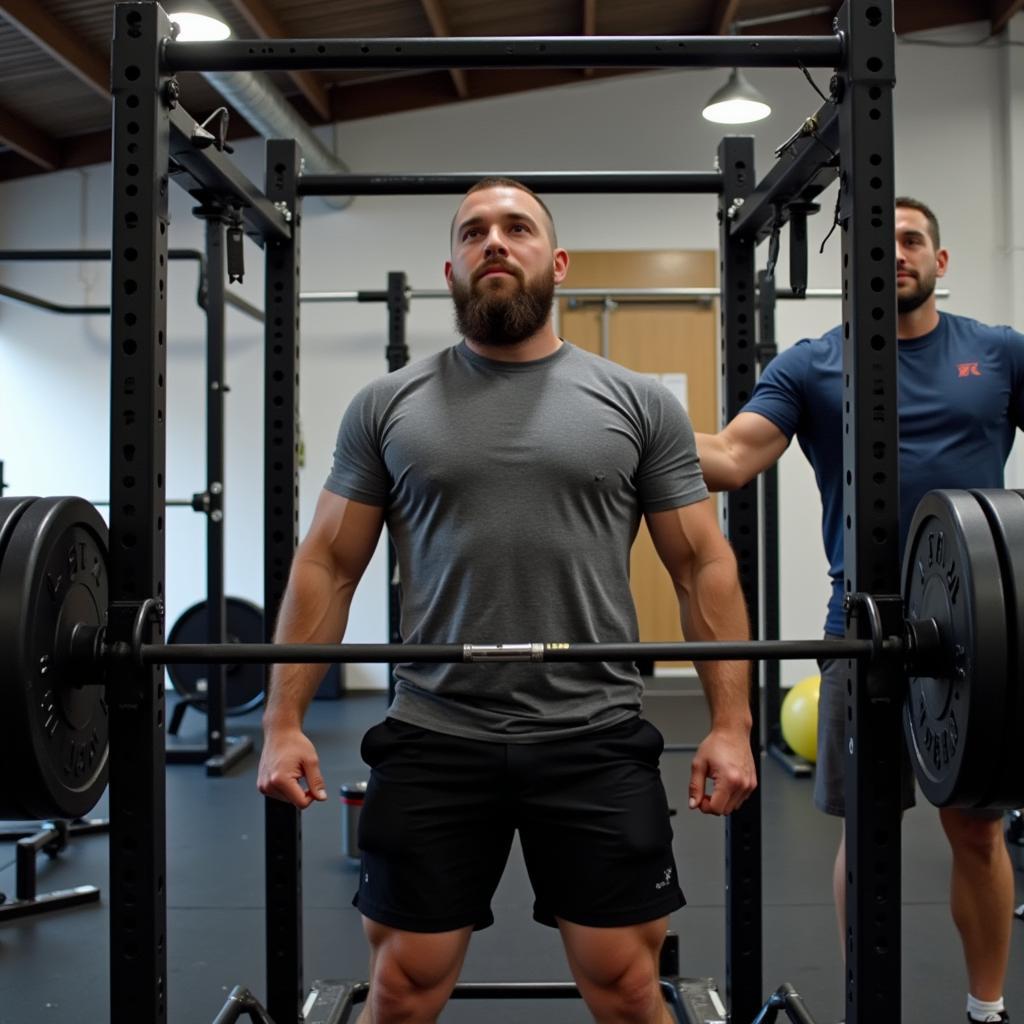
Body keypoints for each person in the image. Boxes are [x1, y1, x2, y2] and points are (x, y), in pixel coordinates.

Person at [257, 177, 758, 1024]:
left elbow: (700, 565)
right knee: (405, 987)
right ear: (449, 269)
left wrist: (731, 724)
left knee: (630, 985)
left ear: (555, 262)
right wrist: (281, 723)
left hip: (594, 732)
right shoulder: (387, 404)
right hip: (434, 731)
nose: (495, 241)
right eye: (474, 231)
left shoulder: (639, 402)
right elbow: (329, 565)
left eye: (517, 227)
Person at [696, 197, 1023, 1024]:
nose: (896, 253)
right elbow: (732, 458)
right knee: (867, 831)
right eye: (881, 240)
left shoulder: (997, 353)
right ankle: (864, 1006)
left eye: (913, 240)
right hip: (862, 629)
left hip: (980, 629)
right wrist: (617, 421)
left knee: (978, 832)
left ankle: (987, 1009)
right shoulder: (810, 366)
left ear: (939, 262)